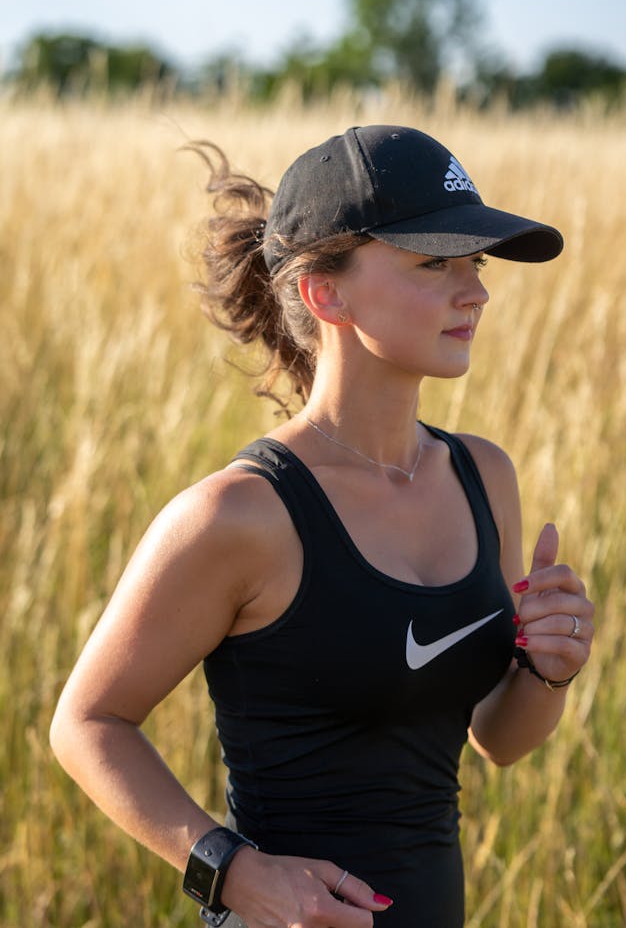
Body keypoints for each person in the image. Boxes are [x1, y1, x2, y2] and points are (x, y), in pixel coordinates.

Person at [50, 124, 595, 928]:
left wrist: (548, 671)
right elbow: (85, 724)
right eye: (433, 262)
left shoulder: (484, 476)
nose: (475, 290)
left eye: (473, 264)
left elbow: (497, 740)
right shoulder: (241, 516)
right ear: (324, 293)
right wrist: (230, 873)